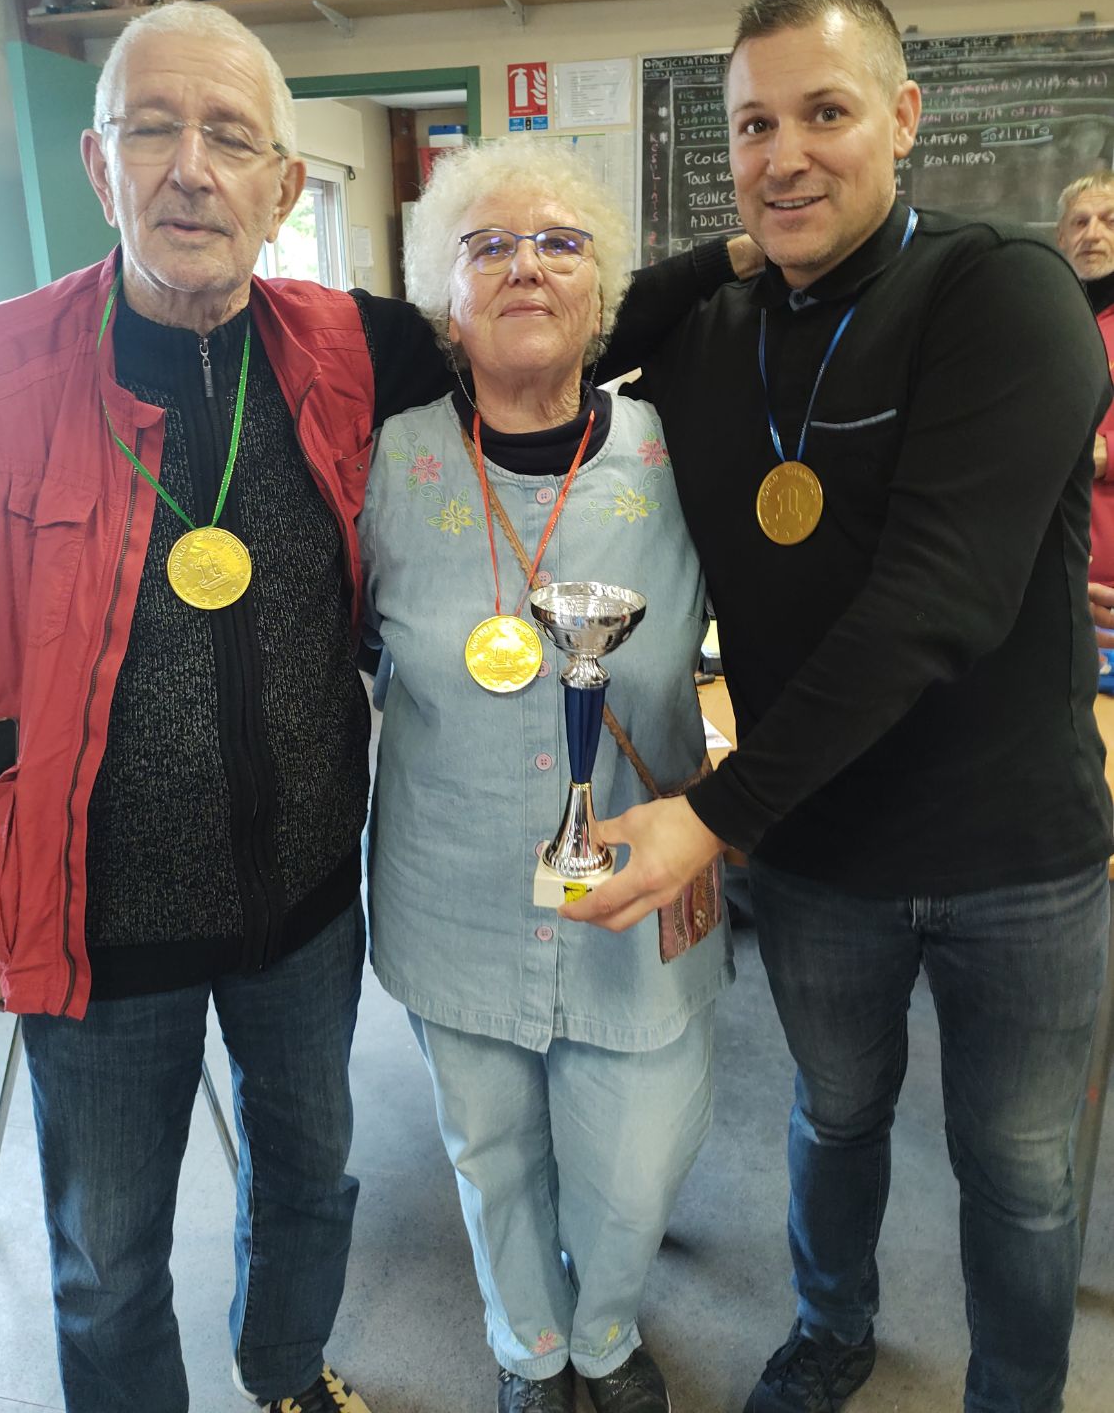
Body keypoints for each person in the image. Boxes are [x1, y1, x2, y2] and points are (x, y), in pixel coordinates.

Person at [0, 2, 760, 1413]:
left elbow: (550, 305)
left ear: (280, 189)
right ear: (97, 161)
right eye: (153, 130)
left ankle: (288, 1375)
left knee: (312, 1184)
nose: (191, 168)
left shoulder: (351, 347)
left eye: (231, 138)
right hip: (90, 901)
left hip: (303, 900)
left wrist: (750, 245)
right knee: (110, 1255)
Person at [564, 0, 1114, 1413]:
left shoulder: (1006, 291)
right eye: (752, 128)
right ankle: (828, 1327)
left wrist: (714, 814)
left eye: (824, 113)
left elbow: (938, 598)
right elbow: (571, 347)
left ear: (905, 117)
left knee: (1021, 1170)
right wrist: (723, 258)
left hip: (1018, 861)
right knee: (834, 1113)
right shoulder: (708, 334)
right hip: (821, 857)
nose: (784, 153)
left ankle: (1015, 1390)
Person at [360, 138, 733, 1413]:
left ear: (603, 289)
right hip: (450, 876)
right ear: (444, 301)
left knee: (632, 1160)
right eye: (488, 246)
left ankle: (609, 1328)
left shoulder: (685, 458)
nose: (526, 265)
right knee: (491, 1147)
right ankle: (530, 1348)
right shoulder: (383, 461)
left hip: (640, 874)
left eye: (561, 243)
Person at [1058, 170, 1114, 582]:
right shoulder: (1041, 322)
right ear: (1061, 239)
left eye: (1110, 220)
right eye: (1079, 222)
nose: (1092, 234)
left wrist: (1107, 455)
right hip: (1058, 573)